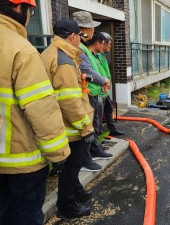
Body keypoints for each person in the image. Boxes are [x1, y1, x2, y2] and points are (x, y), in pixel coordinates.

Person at [0, 1, 70, 224]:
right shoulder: (20, 49)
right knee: (24, 217)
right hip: (20, 160)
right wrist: (58, 153)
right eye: (31, 10)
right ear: (19, 8)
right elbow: (41, 108)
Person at [41, 19, 95, 218]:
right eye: (79, 38)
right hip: (71, 128)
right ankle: (67, 206)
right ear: (73, 37)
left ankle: (77, 192)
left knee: (71, 168)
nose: (81, 42)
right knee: (71, 168)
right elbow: (70, 102)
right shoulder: (64, 61)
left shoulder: (50, 53)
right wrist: (86, 128)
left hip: (58, 124)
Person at [73, 11, 113, 172]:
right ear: (83, 29)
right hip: (87, 93)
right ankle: (85, 158)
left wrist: (103, 82)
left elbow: (94, 71)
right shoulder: (81, 50)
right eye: (91, 28)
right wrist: (103, 80)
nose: (92, 32)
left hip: (94, 91)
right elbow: (86, 70)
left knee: (94, 125)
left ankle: (93, 151)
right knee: (87, 127)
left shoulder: (85, 50)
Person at [99, 31, 125, 136]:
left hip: (104, 88)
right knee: (99, 114)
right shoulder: (96, 55)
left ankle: (112, 129)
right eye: (109, 44)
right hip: (99, 89)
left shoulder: (103, 55)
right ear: (102, 43)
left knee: (108, 109)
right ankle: (99, 135)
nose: (110, 46)